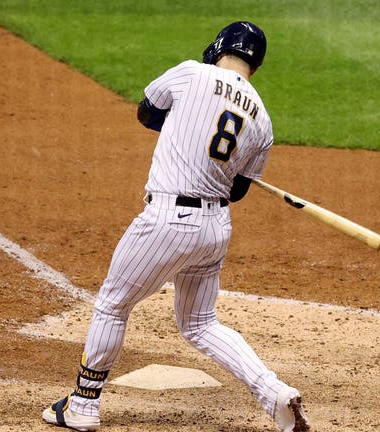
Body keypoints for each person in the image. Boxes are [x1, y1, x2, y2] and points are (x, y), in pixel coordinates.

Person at [42, 21, 310, 432]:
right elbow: (237, 191)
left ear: (219, 46)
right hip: (215, 228)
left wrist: (184, 128)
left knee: (113, 305)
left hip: (167, 221)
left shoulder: (191, 72)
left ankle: (83, 404)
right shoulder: (263, 121)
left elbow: (147, 112)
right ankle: (273, 392)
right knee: (201, 323)